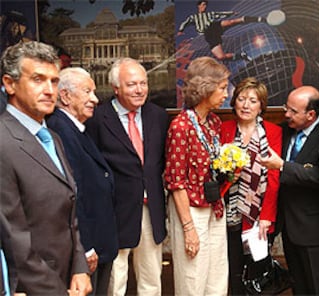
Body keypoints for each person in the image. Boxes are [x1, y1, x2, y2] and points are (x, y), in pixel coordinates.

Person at [0, 41, 91, 294]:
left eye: (54, 81)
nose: (50, 90)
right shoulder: (3, 142)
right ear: (9, 84)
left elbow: (68, 214)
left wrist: (80, 266)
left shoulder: (51, 138)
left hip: (66, 276)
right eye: (38, 80)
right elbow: (14, 240)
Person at [86, 57, 168, 296]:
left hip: (151, 210)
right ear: (116, 88)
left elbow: (159, 162)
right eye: (132, 84)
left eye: (143, 83)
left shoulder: (158, 116)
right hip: (114, 212)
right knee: (115, 280)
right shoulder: (97, 119)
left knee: (152, 277)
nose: (140, 89)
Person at [46, 67, 119, 295]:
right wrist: (85, 248)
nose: (95, 100)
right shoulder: (59, 130)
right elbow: (72, 195)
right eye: (87, 92)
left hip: (97, 243)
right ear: (65, 96)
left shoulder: (75, 128)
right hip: (86, 249)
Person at [260, 86, 319, 295]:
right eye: (287, 108)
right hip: (289, 226)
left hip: (316, 229)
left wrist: (284, 166)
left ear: (311, 114)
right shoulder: (284, 130)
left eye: (293, 111)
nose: (286, 115)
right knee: (299, 288)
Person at [164, 56, 231, 295]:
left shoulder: (213, 122)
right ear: (206, 88)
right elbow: (175, 182)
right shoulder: (181, 127)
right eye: (223, 88)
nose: (227, 93)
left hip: (214, 206)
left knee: (217, 276)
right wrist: (188, 228)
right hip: (190, 210)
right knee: (193, 278)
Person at [220, 77, 282, 295]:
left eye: (253, 100)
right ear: (234, 101)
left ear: (261, 106)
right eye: (241, 99)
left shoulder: (273, 132)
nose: (246, 105)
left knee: (257, 272)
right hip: (229, 212)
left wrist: (267, 215)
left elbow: (274, 177)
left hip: (259, 216)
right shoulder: (224, 129)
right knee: (233, 268)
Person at [177, 0, 264, 62]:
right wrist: (181, 30)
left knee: (232, 22)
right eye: (203, 4)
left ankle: (259, 19)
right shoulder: (193, 17)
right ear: (199, 6)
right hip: (208, 35)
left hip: (213, 27)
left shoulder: (209, 14)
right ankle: (241, 55)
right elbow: (185, 22)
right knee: (221, 56)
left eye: (206, 5)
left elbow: (221, 13)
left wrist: (231, 13)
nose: (205, 6)